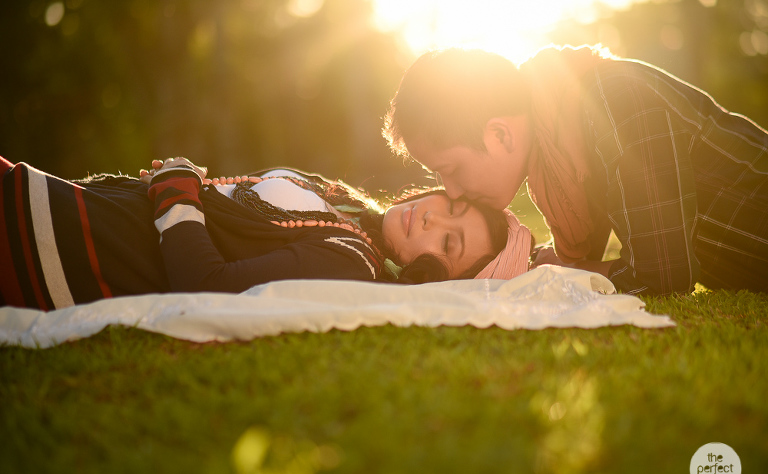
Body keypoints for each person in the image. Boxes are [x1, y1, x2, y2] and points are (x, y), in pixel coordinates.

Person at [383, 45, 768, 295]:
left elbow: (664, 277)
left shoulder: (614, 104)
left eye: (449, 169)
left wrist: (578, 269)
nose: (450, 191)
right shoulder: (558, 149)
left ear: (499, 135)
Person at [0, 155, 532, 311]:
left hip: (50, 245)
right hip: (58, 205)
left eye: (448, 243)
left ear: (433, 276)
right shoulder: (350, 210)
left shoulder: (351, 263)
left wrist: (177, 193)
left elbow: (206, 284)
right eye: (452, 207)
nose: (431, 218)